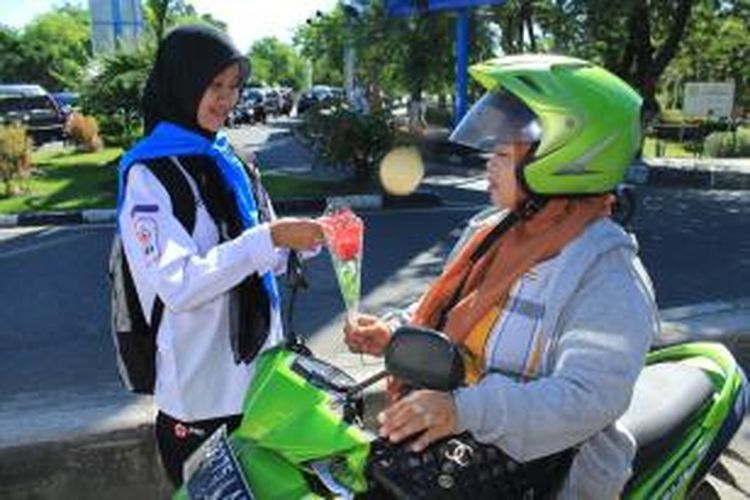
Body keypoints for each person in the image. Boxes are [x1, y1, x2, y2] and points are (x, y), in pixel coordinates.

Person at [343, 54, 659, 499]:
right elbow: (452, 308)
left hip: (550, 480)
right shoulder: (494, 232)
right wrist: (393, 331)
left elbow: (586, 398)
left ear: (565, 160)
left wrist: (464, 410)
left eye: (502, 153)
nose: (487, 165)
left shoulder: (608, 275)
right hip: (462, 460)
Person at [116, 24, 323, 487]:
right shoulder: (150, 176)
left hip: (264, 392)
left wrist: (304, 244)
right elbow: (179, 284)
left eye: (234, 87)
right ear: (183, 82)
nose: (227, 100)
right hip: (200, 402)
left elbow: (264, 256)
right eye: (215, 86)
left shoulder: (231, 161)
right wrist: (269, 239)